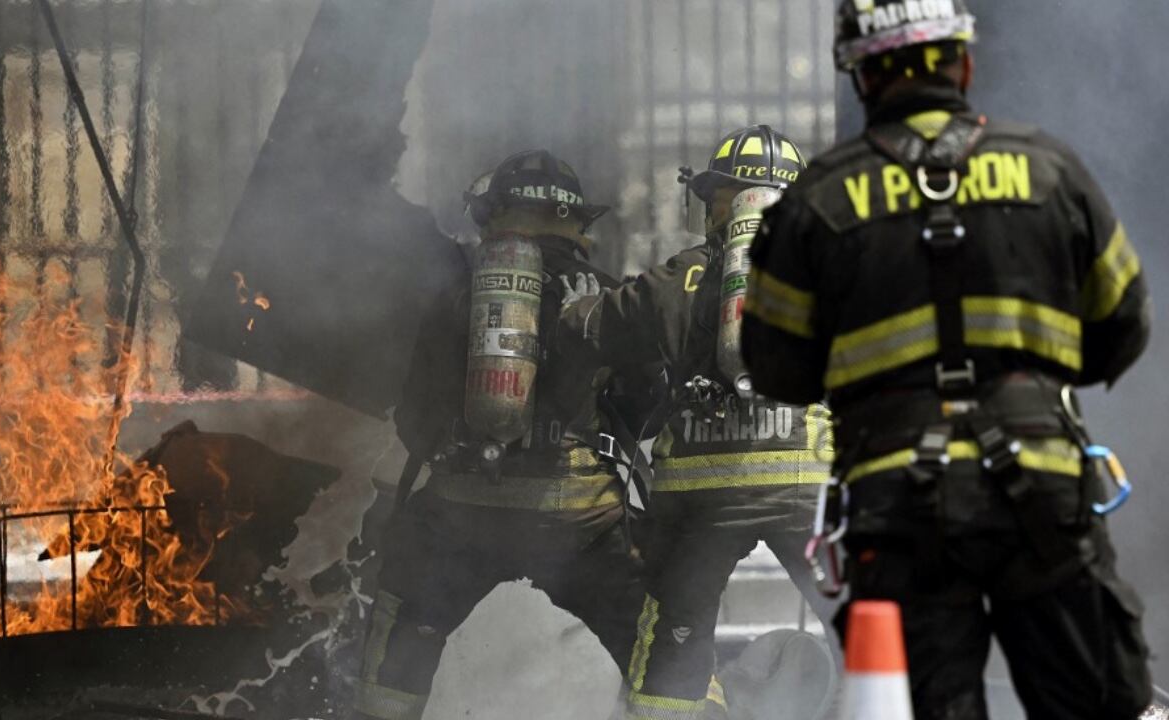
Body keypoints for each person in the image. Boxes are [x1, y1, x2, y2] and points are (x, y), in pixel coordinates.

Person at [740, 2, 1154, 718]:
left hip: (898, 508)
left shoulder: (814, 201)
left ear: (862, 78)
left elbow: (776, 369)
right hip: (1043, 492)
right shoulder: (1051, 171)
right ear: (962, 62)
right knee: (1096, 702)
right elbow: (1124, 323)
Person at [352, 150, 644, 720]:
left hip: (462, 517)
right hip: (580, 521)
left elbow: (415, 416)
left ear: (493, 217)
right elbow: (646, 409)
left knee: (403, 633)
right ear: (576, 221)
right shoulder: (608, 296)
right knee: (656, 645)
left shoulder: (458, 297)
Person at [563, 126, 838, 720]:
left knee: (673, 646)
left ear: (720, 199)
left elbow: (602, 327)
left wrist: (573, 307)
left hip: (700, 500)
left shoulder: (680, 276)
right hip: (806, 489)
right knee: (863, 629)